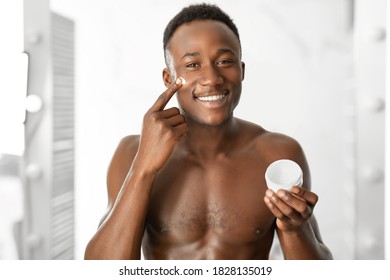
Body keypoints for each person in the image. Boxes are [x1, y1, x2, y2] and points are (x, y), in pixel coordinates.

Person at [84, 3, 333, 260]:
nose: (212, 78)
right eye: (192, 65)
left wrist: (295, 229)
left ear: (242, 70)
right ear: (169, 79)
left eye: (225, 61)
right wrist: (143, 168)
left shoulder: (278, 153)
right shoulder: (131, 153)